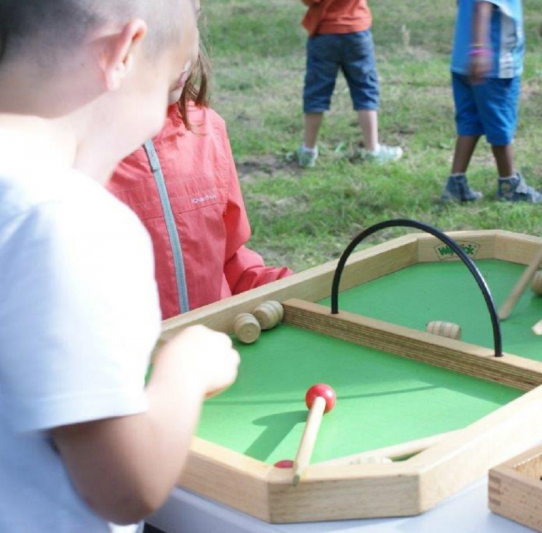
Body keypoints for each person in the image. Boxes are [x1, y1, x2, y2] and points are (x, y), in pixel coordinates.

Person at [0, 1, 240, 531]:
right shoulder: (70, 220)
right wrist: (189, 366)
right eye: (164, 92)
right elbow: (127, 486)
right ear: (124, 52)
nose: (158, 120)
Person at [109, 47, 293, 320]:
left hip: (211, 351)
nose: (187, 48)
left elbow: (228, 258)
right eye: (169, 19)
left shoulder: (208, 128)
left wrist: (286, 287)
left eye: (194, 18)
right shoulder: (63, 155)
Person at [441, 0, 541, 203]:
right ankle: (509, 185)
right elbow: (483, 5)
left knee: (470, 123)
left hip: (462, 61)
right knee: (500, 126)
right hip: (493, 65)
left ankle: (456, 184)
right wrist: (480, 51)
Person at [296, 0, 403, 167]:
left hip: (324, 33)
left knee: (316, 92)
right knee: (365, 89)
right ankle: (372, 149)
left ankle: (308, 151)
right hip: (357, 30)